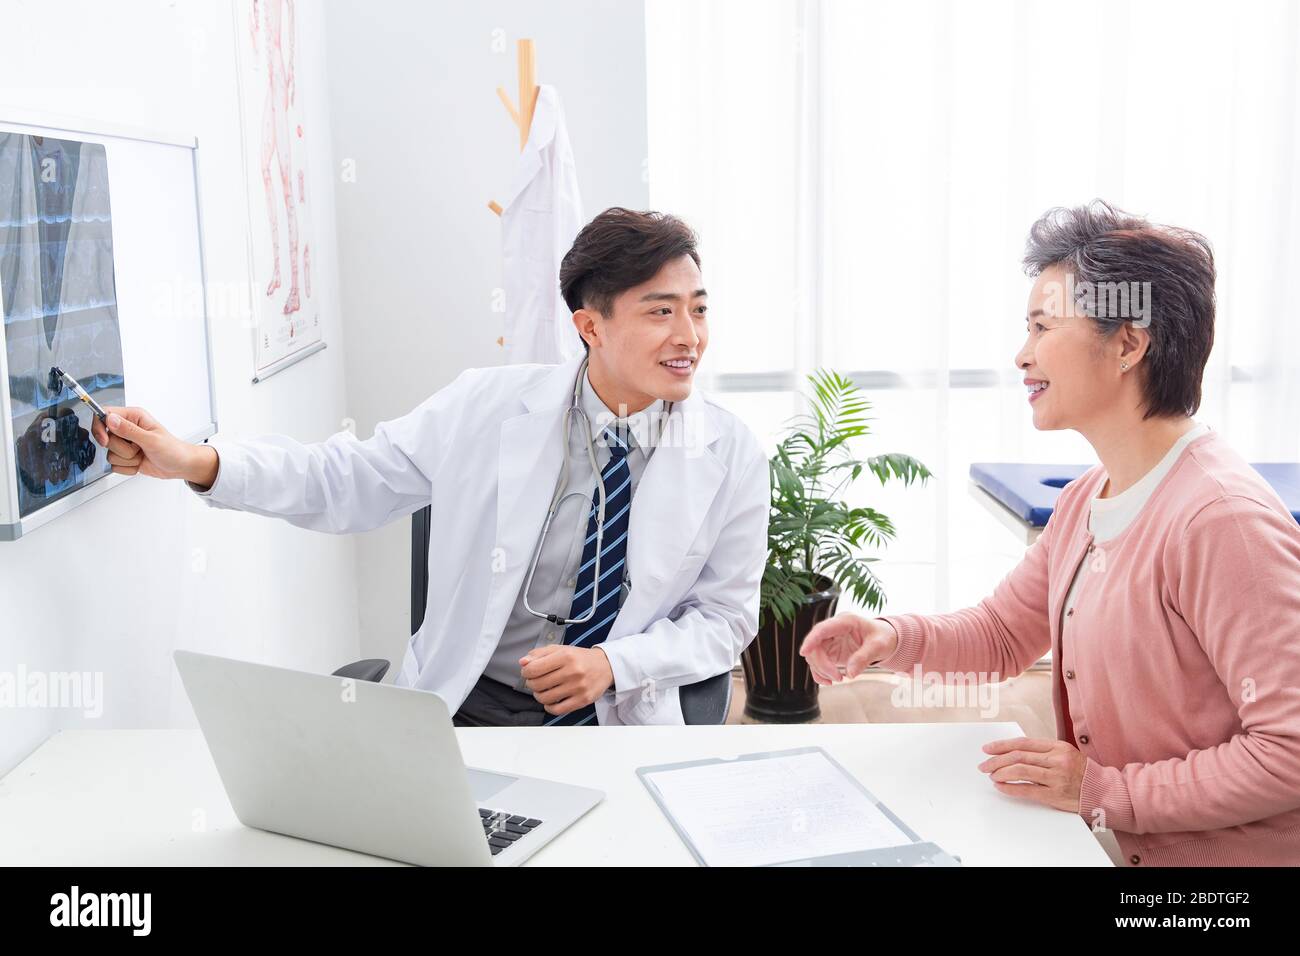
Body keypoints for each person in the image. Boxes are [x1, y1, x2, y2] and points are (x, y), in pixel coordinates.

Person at [92, 208, 769, 726]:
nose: (689, 337)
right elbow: (347, 479)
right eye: (661, 312)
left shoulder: (732, 456)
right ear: (590, 327)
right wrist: (196, 461)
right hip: (467, 704)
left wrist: (613, 664)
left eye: (698, 310)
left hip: (611, 711)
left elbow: (726, 618)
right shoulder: (485, 407)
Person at [802, 201, 1300, 866]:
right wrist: (891, 637)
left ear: (1128, 344)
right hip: (1114, 847)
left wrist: (1104, 792)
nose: (1022, 354)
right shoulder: (1087, 498)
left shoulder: (1221, 520)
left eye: (1042, 327)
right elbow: (1002, 635)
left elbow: (1289, 752)